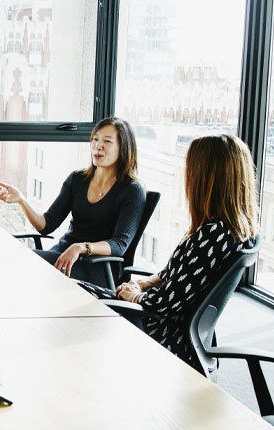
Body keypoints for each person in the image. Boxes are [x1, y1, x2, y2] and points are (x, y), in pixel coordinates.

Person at [79, 134, 260, 373]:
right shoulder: (233, 230)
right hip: (163, 322)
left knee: (75, 299)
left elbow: (164, 304)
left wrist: (134, 295)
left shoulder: (212, 236)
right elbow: (180, 275)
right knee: (76, 292)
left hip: (160, 332)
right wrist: (145, 283)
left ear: (207, 178)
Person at [0, 116, 145, 287]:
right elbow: (47, 225)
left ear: (124, 149)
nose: (98, 146)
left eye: (107, 141)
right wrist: (21, 200)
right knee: (8, 261)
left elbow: (120, 244)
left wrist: (81, 247)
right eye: (95, 139)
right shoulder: (78, 179)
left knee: (19, 265)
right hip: (62, 256)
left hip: (98, 268)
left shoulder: (132, 190)